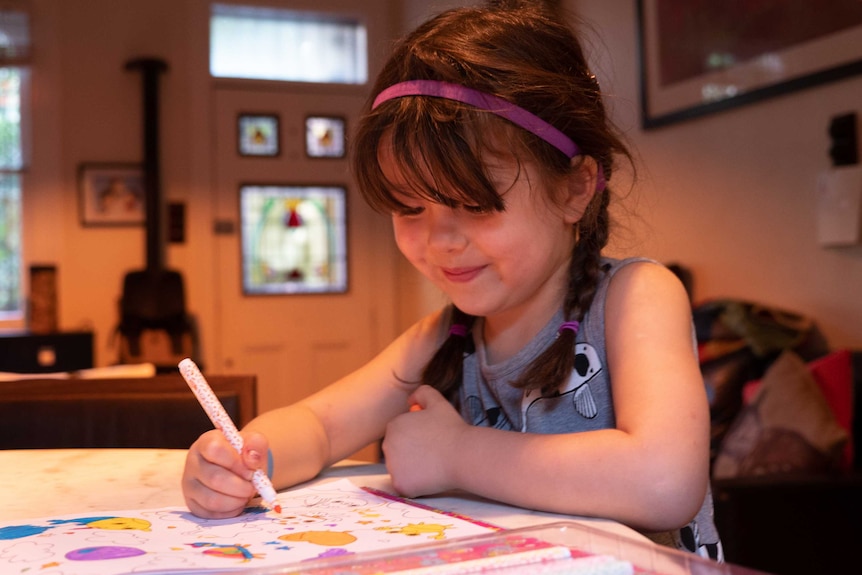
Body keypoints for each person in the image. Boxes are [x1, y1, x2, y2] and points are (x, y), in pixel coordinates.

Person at [182, 0, 723, 560]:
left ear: (575, 188)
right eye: (408, 208)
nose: (441, 241)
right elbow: (319, 425)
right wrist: (247, 461)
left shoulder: (636, 298)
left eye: (473, 204)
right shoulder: (446, 336)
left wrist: (459, 455)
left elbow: (665, 482)